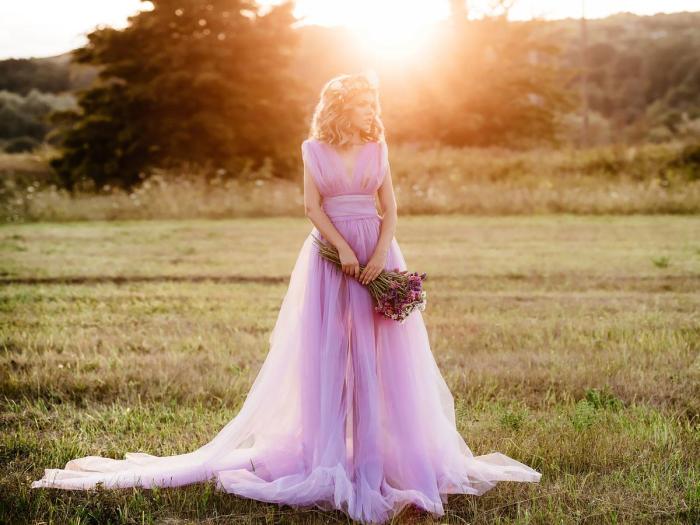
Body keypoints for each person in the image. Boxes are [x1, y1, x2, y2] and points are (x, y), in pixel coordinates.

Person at [30, 71, 542, 524]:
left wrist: (380, 258)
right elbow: (312, 207)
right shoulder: (312, 151)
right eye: (364, 105)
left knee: (385, 354)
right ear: (342, 107)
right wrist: (343, 249)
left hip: (378, 255)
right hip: (329, 256)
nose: (372, 113)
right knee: (330, 350)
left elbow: (391, 211)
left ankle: (386, 454)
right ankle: (330, 455)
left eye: (374, 105)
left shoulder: (379, 151)